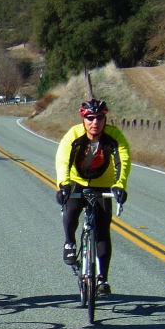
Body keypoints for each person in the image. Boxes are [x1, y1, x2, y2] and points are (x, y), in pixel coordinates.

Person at [54, 98, 131, 297]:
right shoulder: (74, 134)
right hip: (77, 180)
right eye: (90, 118)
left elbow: (123, 160)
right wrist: (63, 184)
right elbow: (63, 159)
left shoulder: (114, 136)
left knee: (103, 229)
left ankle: (102, 279)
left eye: (99, 118)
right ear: (83, 120)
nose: (94, 122)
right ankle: (69, 243)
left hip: (103, 184)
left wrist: (119, 185)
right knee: (71, 209)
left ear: (105, 119)